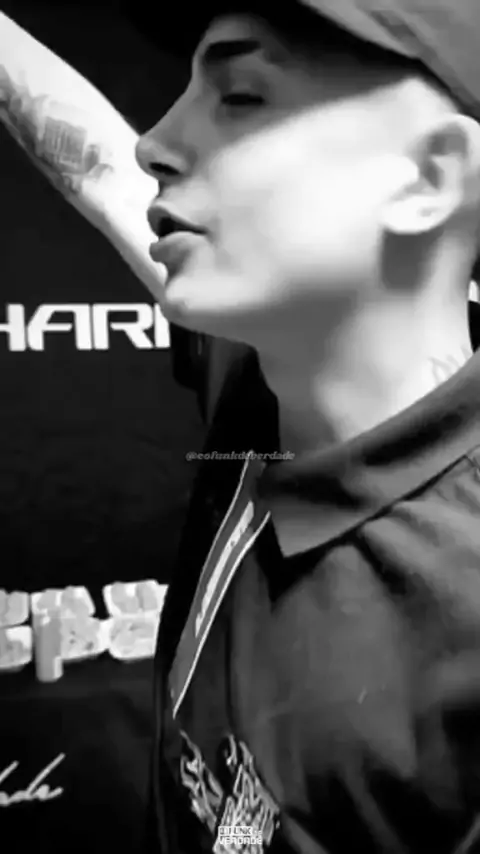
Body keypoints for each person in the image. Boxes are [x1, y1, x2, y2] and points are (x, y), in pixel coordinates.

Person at [4, 3, 480, 853]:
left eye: (242, 97)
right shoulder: (264, 368)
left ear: (428, 177)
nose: (154, 142)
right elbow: (102, 164)